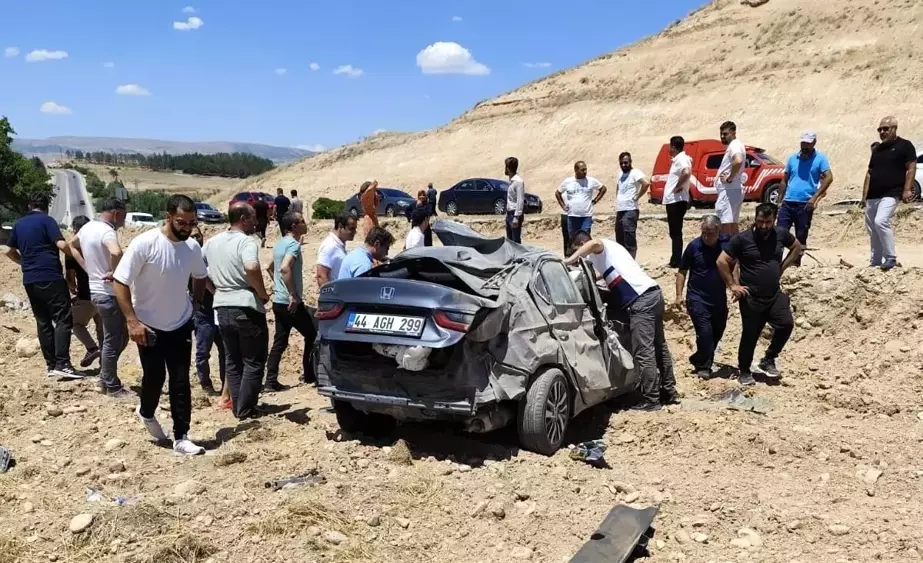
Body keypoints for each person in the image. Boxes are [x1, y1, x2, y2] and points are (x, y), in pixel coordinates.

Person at [112, 195, 207, 455]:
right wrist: (132, 321)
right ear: (168, 217)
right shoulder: (146, 243)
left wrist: (196, 303)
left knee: (180, 380)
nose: (187, 227)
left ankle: (182, 436)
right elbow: (119, 282)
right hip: (148, 326)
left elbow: (200, 275)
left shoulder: (192, 248)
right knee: (154, 377)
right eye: (182, 222)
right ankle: (146, 412)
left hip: (180, 323)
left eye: (191, 222)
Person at [565, 231, 678, 411]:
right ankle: (669, 392)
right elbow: (604, 279)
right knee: (659, 346)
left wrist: (569, 261)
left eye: (578, 250)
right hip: (653, 293)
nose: (581, 257)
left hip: (641, 301)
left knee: (644, 351)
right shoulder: (608, 255)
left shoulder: (600, 247)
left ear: (582, 244)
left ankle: (651, 400)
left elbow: (594, 244)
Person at [716, 203, 802, 386]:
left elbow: (796, 247)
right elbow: (722, 261)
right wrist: (732, 285)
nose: (763, 226)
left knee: (786, 324)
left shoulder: (781, 234)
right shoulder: (743, 239)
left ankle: (769, 359)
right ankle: (745, 371)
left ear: (774, 220)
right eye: (760, 221)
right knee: (750, 335)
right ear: (755, 219)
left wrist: (782, 268)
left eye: (768, 222)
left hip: (773, 294)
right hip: (751, 297)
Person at [203, 202, 271, 420]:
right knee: (253, 359)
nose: (255, 222)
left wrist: (214, 289)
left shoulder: (212, 242)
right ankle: (246, 408)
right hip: (245, 304)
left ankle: (237, 405)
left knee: (233, 359)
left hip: (221, 305)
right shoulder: (247, 242)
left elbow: (198, 270)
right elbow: (251, 267)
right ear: (243, 218)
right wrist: (261, 292)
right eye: (252, 218)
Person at [4, 193, 80, 379]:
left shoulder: (19, 224)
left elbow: (9, 252)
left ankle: (51, 365)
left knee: (43, 321)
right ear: (46, 206)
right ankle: (63, 363)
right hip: (51, 276)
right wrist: (77, 257)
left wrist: (25, 263)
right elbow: (62, 244)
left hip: (30, 279)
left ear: (29, 206)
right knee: (62, 318)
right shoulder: (47, 221)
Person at [70, 198, 129, 395]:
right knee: (114, 340)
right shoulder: (106, 231)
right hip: (109, 293)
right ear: (116, 213)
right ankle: (110, 385)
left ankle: (105, 377)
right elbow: (116, 251)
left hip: (96, 291)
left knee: (118, 338)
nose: (124, 222)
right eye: (124, 217)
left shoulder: (87, 228)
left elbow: (71, 245)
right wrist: (115, 272)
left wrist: (86, 267)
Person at [266, 211, 317, 388]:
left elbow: (270, 268)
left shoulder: (279, 244)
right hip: (291, 303)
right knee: (312, 334)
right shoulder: (294, 245)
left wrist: (280, 288)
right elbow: (285, 268)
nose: (305, 223)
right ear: (294, 226)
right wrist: (293, 294)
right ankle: (310, 375)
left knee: (280, 342)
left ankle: (270, 380)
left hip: (278, 302)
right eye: (302, 221)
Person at [675, 216, 729, 379]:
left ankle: (698, 358)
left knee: (717, 332)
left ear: (719, 231)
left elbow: (736, 264)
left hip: (719, 299)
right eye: (704, 233)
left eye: (710, 233)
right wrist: (679, 295)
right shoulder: (694, 247)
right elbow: (682, 271)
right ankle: (704, 367)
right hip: (697, 298)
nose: (706, 237)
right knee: (705, 333)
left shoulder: (726, 245)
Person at [862, 116, 917, 270]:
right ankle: (876, 260)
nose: (882, 132)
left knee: (881, 221)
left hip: (892, 192)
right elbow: (869, 172)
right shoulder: (877, 149)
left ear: (894, 128)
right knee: (872, 227)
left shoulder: (905, 146)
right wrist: (864, 195)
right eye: (880, 129)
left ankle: (891, 257)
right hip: (873, 194)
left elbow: (911, 167)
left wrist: (907, 189)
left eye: (886, 129)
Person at [777, 131, 833, 265]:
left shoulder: (820, 159)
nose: (805, 145)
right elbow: (784, 180)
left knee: (801, 236)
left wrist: (814, 198)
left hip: (805, 204)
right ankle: (776, 263)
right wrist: (779, 201)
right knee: (779, 234)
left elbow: (829, 177)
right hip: (788, 202)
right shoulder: (792, 158)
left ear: (814, 142)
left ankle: (795, 265)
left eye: (808, 143)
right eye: (803, 142)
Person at [189, 227, 225, 398]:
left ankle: (227, 384)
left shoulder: (211, 256)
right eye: (192, 236)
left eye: (198, 236)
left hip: (219, 310)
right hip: (203, 313)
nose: (196, 239)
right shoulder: (188, 260)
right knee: (203, 351)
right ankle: (206, 385)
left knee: (225, 350)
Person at [66, 216, 104, 369]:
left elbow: (70, 276)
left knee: (74, 322)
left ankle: (92, 348)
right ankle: (105, 364)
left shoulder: (72, 250)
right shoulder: (99, 245)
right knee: (102, 329)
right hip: (104, 293)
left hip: (87, 296)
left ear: (75, 231)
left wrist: (73, 289)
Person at [556, 161, 607, 241]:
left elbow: (603, 189)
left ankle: (585, 254)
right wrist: (563, 206)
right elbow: (557, 193)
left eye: (585, 169)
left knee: (585, 240)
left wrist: (595, 200)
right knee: (573, 241)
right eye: (582, 170)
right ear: (576, 170)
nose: (585, 172)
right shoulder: (568, 182)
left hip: (586, 217)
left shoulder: (591, 181)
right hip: (572, 217)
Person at [664, 136, 693, 267]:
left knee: (676, 232)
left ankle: (676, 260)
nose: (669, 150)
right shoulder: (679, 159)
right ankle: (675, 258)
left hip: (676, 200)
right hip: (674, 201)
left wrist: (677, 186)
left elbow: (686, 172)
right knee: (674, 231)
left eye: (670, 147)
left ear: (674, 147)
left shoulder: (681, 159)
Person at [614, 152, 650, 259]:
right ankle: (623, 260)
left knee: (629, 235)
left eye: (625, 162)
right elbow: (618, 187)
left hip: (630, 209)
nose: (623, 165)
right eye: (621, 163)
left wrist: (637, 196)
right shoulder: (620, 174)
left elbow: (646, 183)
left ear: (630, 162)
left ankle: (631, 261)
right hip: (620, 209)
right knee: (619, 236)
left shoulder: (635, 172)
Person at [715, 121, 747, 235]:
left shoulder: (734, 145)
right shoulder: (736, 145)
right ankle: (736, 250)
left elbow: (737, 160)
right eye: (721, 134)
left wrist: (730, 177)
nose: (722, 136)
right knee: (733, 223)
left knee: (725, 223)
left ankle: (726, 250)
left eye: (725, 134)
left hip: (729, 190)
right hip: (733, 190)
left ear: (734, 133)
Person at [316, 211, 358, 287]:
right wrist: (330, 296)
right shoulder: (330, 246)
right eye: (351, 229)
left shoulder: (339, 245)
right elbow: (321, 276)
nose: (355, 232)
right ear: (340, 226)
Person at [505, 157, 526, 244]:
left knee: (516, 242)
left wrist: (516, 217)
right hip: (509, 213)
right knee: (509, 241)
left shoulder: (518, 181)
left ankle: (519, 257)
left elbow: (520, 200)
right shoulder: (511, 181)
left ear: (508, 168)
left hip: (515, 214)